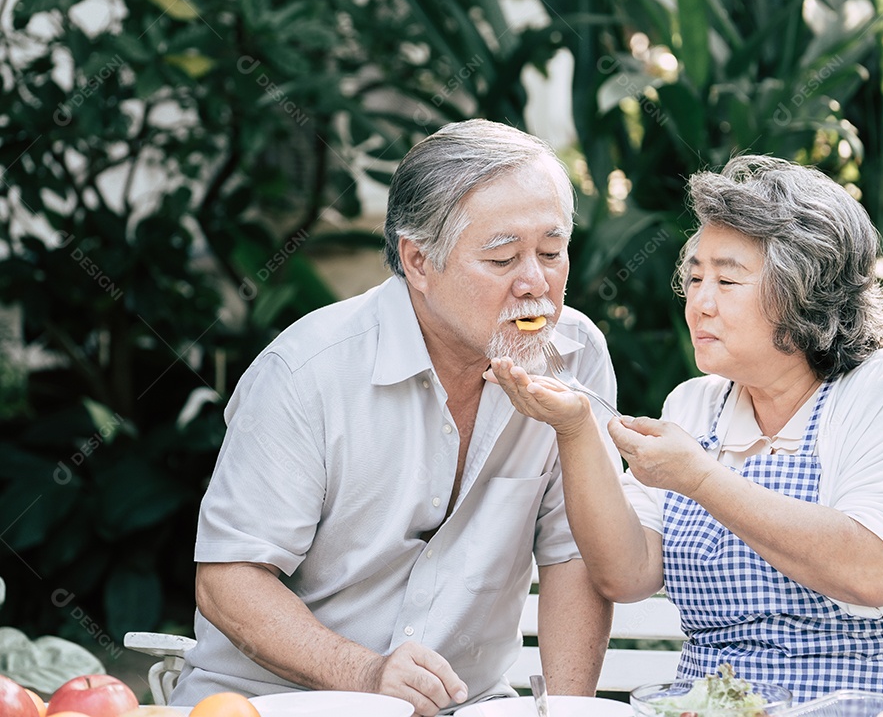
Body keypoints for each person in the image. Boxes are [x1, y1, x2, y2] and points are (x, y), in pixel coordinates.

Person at [487, 155, 883, 703]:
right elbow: (626, 574)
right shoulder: (694, 407)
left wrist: (701, 480)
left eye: (728, 280)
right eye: (696, 278)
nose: (700, 304)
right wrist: (575, 428)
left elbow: (872, 571)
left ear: (805, 292)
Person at [169, 119, 617, 715]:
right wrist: (367, 673)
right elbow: (228, 580)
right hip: (276, 705)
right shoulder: (307, 372)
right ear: (418, 262)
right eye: (504, 257)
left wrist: (567, 711)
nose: (535, 282)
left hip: (468, 705)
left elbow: (574, 554)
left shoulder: (575, 353)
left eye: (552, 252)